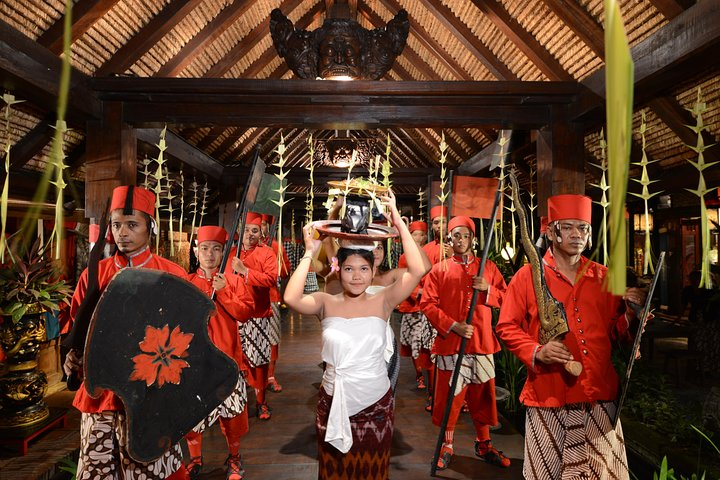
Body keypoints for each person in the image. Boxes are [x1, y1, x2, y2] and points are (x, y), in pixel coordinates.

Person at [495, 194, 647, 480]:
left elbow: (615, 333)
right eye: (568, 227)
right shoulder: (528, 276)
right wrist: (537, 350)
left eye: (583, 228)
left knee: (599, 474)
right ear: (551, 232)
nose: (577, 234)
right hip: (548, 394)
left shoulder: (604, 277)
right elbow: (507, 327)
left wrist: (630, 315)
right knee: (546, 474)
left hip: (598, 396)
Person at [284, 190, 429, 480]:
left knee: (373, 472)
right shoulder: (326, 302)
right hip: (331, 401)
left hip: (375, 404)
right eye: (349, 268)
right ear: (339, 271)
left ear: (373, 267)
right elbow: (291, 297)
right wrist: (310, 252)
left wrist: (398, 221)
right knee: (333, 471)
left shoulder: (384, 300)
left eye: (363, 268)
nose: (357, 276)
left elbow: (420, 268)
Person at [63, 185, 189, 479]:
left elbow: (186, 338)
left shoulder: (172, 275)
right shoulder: (94, 274)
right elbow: (76, 328)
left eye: (132, 225)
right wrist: (72, 356)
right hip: (101, 395)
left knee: (151, 470)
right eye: (117, 225)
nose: (123, 233)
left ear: (151, 227)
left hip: (150, 394)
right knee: (99, 471)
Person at [420, 215, 511, 470]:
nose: (461, 240)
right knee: (451, 397)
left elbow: (507, 298)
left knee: (482, 397)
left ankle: (484, 444)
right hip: (451, 343)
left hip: (481, 343)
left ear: (473, 239)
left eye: (465, 235)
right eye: (456, 235)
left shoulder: (488, 268)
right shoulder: (440, 270)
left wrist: (488, 291)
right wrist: (453, 326)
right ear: (449, 238)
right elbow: (427, 304)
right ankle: (446, 445)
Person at [184, 226, 255, 480]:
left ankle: (235, 458)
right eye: (204, 248)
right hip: (194, 361)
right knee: (193, 415)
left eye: (216, 249)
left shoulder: (233, 281)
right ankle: (194, 459)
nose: (210, 255)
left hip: (227, 360)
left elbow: (245, 313)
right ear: (196, 251)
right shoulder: (187, 283)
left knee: (232, 414)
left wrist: (224, 291)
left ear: (224, 252)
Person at [227, 212, 278, 421]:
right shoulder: (231, 252)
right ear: (240, 230)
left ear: (261, 232)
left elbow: (271, 279)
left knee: (259, 362)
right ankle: (236, 403)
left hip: (257, 315)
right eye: (246, 230)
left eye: (254, 230)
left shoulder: (266, 253)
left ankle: (261, 402)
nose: (249, 235)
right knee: (235, 362)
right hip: (233, 316)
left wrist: (245, 271)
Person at [397, 221, 436, 391]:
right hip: (412, 306)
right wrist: (416, 292)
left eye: (421, 234)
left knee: (427, 344)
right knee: (414, 344)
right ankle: (419, 374)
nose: (419, 237)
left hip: (429, 305)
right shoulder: (404, 257)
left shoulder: (430, 253)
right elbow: (402, 279)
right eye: (415, 234)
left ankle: (428, 375)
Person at [260, 214, 291, 394]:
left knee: (272, 338)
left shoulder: (276, 246)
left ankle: (270, 375)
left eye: (264, 225)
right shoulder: (241, 248)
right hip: (247, 300)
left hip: (271, 297)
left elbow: (285, 271)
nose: (261, 229)